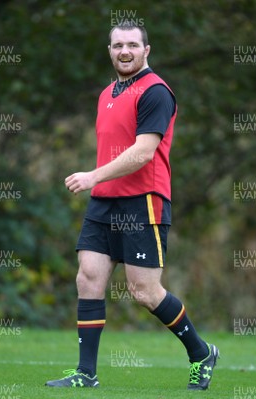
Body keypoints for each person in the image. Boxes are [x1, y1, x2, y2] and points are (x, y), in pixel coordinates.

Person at [45, 21, 219, 391]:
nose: (124, 51)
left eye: (132, 45)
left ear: (146, 50)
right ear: (109, 50)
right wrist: (99, 185)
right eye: (117, 45)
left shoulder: (156, 92)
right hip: (104, 203)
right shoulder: (107, 92)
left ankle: (201, 353)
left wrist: (93, 176)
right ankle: (86, 374)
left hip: (143, 202)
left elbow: (143, 152)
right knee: (87, 277)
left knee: (143, 292)